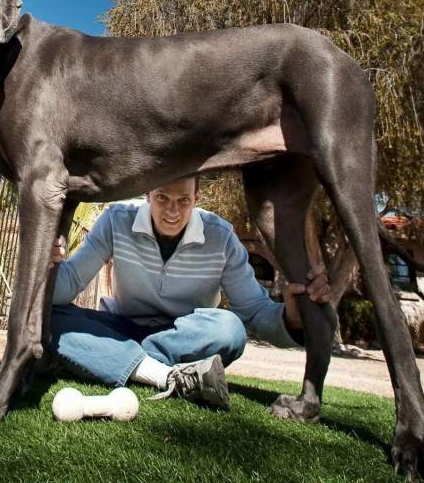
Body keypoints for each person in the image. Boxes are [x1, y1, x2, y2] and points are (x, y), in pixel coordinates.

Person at [48, 175, 330, 409]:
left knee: (230, 329)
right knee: (45, 314)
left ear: (196, 198)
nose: (173, 211)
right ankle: (165, 375)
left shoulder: (221, 238)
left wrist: (291, 317)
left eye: (183, 200)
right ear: (147, 193)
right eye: (163, 198)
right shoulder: (115, 221)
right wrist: (44, 267)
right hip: (121, 327)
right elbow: (71, 281)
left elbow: (255, 312)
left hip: (183, 338)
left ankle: (104, 359)